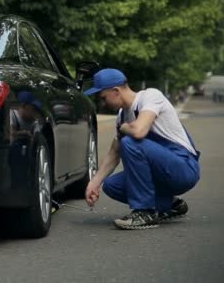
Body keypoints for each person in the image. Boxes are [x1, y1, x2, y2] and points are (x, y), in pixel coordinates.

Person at [83, 68, 200, 230]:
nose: (102, 103)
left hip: (183, 169)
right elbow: (114, 154)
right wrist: (94, 183)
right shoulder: (122, 115)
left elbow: (139, 131)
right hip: (161, 174)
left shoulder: (150, 97)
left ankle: (145, 212)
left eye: (103, 98)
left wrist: (124, 128)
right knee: (111, 185)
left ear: (116, 91)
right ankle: (171, 205)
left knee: (130, 143)